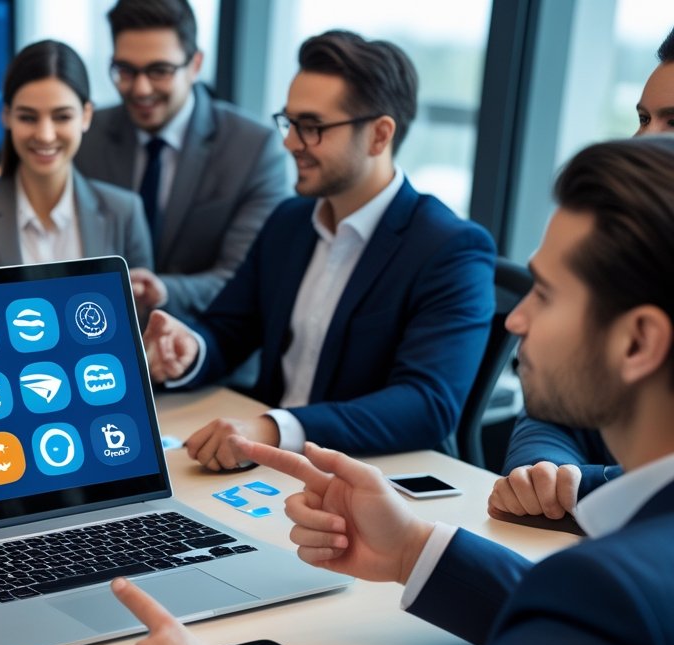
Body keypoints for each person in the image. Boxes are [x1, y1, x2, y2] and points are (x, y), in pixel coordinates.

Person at [111, 136, 674, 645]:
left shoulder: (612, 598)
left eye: (547, 294)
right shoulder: (624, 597)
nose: (518, 316)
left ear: (639, 342)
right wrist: (415, 550)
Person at [144, 30, 494, 466]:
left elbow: (427, 404)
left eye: (311, 127)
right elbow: (230, 329)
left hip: (371, 478)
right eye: (289, 123)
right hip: (267, 466)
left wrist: (276, 429)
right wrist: (191, 349)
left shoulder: (450, 249)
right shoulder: (290, 222)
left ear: (379, 135)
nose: (290, 142)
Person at [489, 25, 673, 521]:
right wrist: (542, 472)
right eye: (642, 118)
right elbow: (554, 407)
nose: (643, 140)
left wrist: (578, 484)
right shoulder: (630, 250)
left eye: (672, 124)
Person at [75, 0, 289, 321]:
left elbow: (241, 278)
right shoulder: (85, 136)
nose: (140, 88)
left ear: (196, 65)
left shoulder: (255, 148)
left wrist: (162, 291)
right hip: (102, 336)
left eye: (159, 71)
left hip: (210, 348)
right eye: (126, 71)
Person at [0, 40, 152, 274]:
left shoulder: (124, 212)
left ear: (86, 116)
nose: (45, 136)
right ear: (6, 116)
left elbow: (141, 309)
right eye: (28, 117)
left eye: (62, 117)